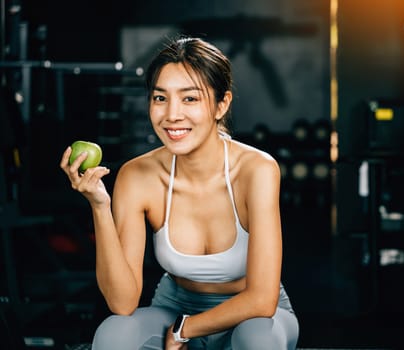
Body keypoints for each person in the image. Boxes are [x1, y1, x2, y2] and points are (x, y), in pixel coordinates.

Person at [59, 36, 299, 350]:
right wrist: (100, 206)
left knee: (257, 341)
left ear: (221, 104)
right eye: (160, 98)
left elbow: (262, 299)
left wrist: (184, 330)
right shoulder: (137, 175)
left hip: (254, 317)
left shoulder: (257, 170)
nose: (172, 114)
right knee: (112, 334)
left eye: (189, 99)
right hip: (176, 306)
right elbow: (122, 302)